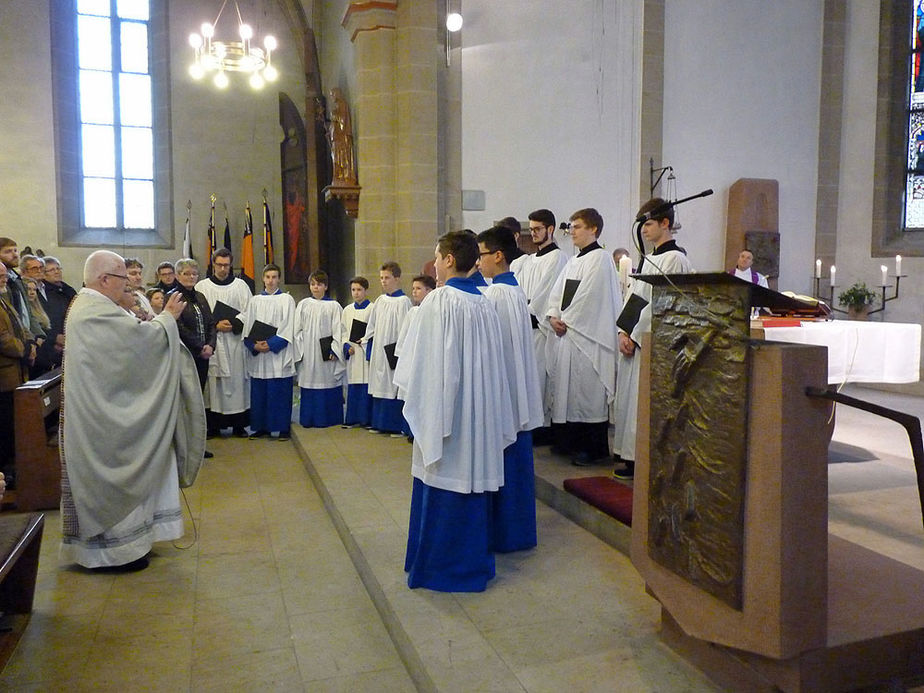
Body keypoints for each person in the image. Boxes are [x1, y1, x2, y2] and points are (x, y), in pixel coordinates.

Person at [59, 250, 205, 571]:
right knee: (115, 482)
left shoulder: (96, 306)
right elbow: (138, 343)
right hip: (105, 423)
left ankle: (133, 545)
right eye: (122, 279)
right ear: (104, 279)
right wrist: (167, 318)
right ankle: (115, 554)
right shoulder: (93, 311)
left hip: (107, 411)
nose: (128, 285)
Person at [395, 230, 516, 592]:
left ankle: (440, 568)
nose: (433, 264)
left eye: (436, 256)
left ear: (449, 259)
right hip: (476, 417)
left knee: (444, 474)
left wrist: (425, 410)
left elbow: (424, 365)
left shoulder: (439, 301)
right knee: (470, 481)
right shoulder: (484, 303)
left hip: (447, 417)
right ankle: (471, 563)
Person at [612, 198, 693, 480]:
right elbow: (634, 297)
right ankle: (629, 455)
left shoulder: (676, 259)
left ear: (665, 223)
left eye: (648, 224)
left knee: (645, 402)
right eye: (642, 225)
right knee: (631, 401)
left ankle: (643, 460)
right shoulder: (650, 259)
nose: (644, 230)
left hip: (652, 342)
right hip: (635, 339)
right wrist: (623, 331)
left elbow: (664, 304)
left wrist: (635, 335)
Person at [477, 226, 544, 552]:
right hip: (518, 390)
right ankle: (518, 532)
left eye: (482, 255)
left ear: (498, 255)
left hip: (504, 391)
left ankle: (505, 534)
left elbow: (493, 349)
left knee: (506, 462)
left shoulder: (497, 295)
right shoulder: (513, 289)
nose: (478, 262)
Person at [545, 208, 622, 466]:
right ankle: (570, 442)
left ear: (593, 229)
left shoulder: (601, 259)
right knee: (570, 391)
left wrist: (566, 319)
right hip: (569, 334)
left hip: (589, 338)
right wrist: (553, 316)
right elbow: (556, 294)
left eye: (577, 227)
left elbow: (590, 297)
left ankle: (593, 448)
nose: (572, 232)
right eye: (572, 227)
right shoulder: (573, 261)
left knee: (588, 393)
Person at [516, 209, 568, 446]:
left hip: (541, 328)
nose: (534, 233)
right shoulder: (529, 260)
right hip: (526, 327)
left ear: (551, 229)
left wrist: (528, 309)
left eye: (538, 229)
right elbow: (520, 290)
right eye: (531, 229)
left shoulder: (558, 258)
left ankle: (543, 428)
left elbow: (546, 293)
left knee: (540, 379)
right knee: (530, 380)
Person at [196, 248, 252, 438]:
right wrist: (215, 325)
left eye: (226, 265)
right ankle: (213, 426)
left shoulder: (241, 286)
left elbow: (249, 311)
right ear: (213, 264)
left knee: (237, 381)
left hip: (235, 342)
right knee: (213, 384)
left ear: (231, 265)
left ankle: (238, 425)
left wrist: (234, 323)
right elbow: (198, 314)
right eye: (219, 265)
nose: (222, 269)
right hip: (214, 343)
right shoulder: (202, 287)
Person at [240, 264, 296, 441]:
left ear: (279, 279)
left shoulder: (287, 300)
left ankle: (282, 428)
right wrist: (254, 345)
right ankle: (261, 427)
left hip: (278, 354)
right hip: (260, 356)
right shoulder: (255, 300)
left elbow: (289, 326)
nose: (271, 281)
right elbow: (248, 326)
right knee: (260, 392)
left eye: (274, 277)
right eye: (268, 277)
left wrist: (271, 344)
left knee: (280, 392)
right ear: (263, 279)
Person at [363, 261, 411, 434]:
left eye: (387, 278)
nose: (383, 281)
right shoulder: (380, 301)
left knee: (393, 385)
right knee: (379, 383)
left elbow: (406, 329)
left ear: (397, 279)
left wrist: (400, 352)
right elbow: (371, 326)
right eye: (381, 278)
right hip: (378, 350)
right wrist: (369, 347)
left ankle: (394, 426)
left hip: (393, 350)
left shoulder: (404, 302)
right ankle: (379, 423)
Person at [294, 270, 345, 428]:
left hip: (326, 354)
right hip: (308, 352)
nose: (315, 287)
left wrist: (335, 349)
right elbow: (296, 330)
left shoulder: (334, 306)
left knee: (327, 381)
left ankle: (329, 419)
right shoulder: (303, 305)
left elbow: (339, 330)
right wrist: (301, 347)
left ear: (326, 286)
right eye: (313, 284)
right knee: (309, 382)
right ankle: (308, 419)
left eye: (319, 284)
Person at [0, 262, 31, 488]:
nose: (4, 278)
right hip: (4, 375)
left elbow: (19, 324)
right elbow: (2, 338)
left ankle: (10, 470)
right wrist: (23, 349)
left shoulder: (4, 299)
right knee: (4, 425)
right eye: (0, 275)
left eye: (4, 274)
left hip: (14, 373)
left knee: (11, 424)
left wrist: (29, 342)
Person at [341, 276, 373, 427]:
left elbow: (375, 331)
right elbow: (342, 332)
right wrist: (346, 346)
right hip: (353, 353)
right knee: (353, 384)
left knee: (366, 384)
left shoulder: (372, 308)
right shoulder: (347, 310)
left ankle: (366, 419)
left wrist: (365, 340)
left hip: (365, 353)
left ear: (365, 290)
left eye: (359, 290)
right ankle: (352, 418)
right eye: (353, 290)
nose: (356, 293)